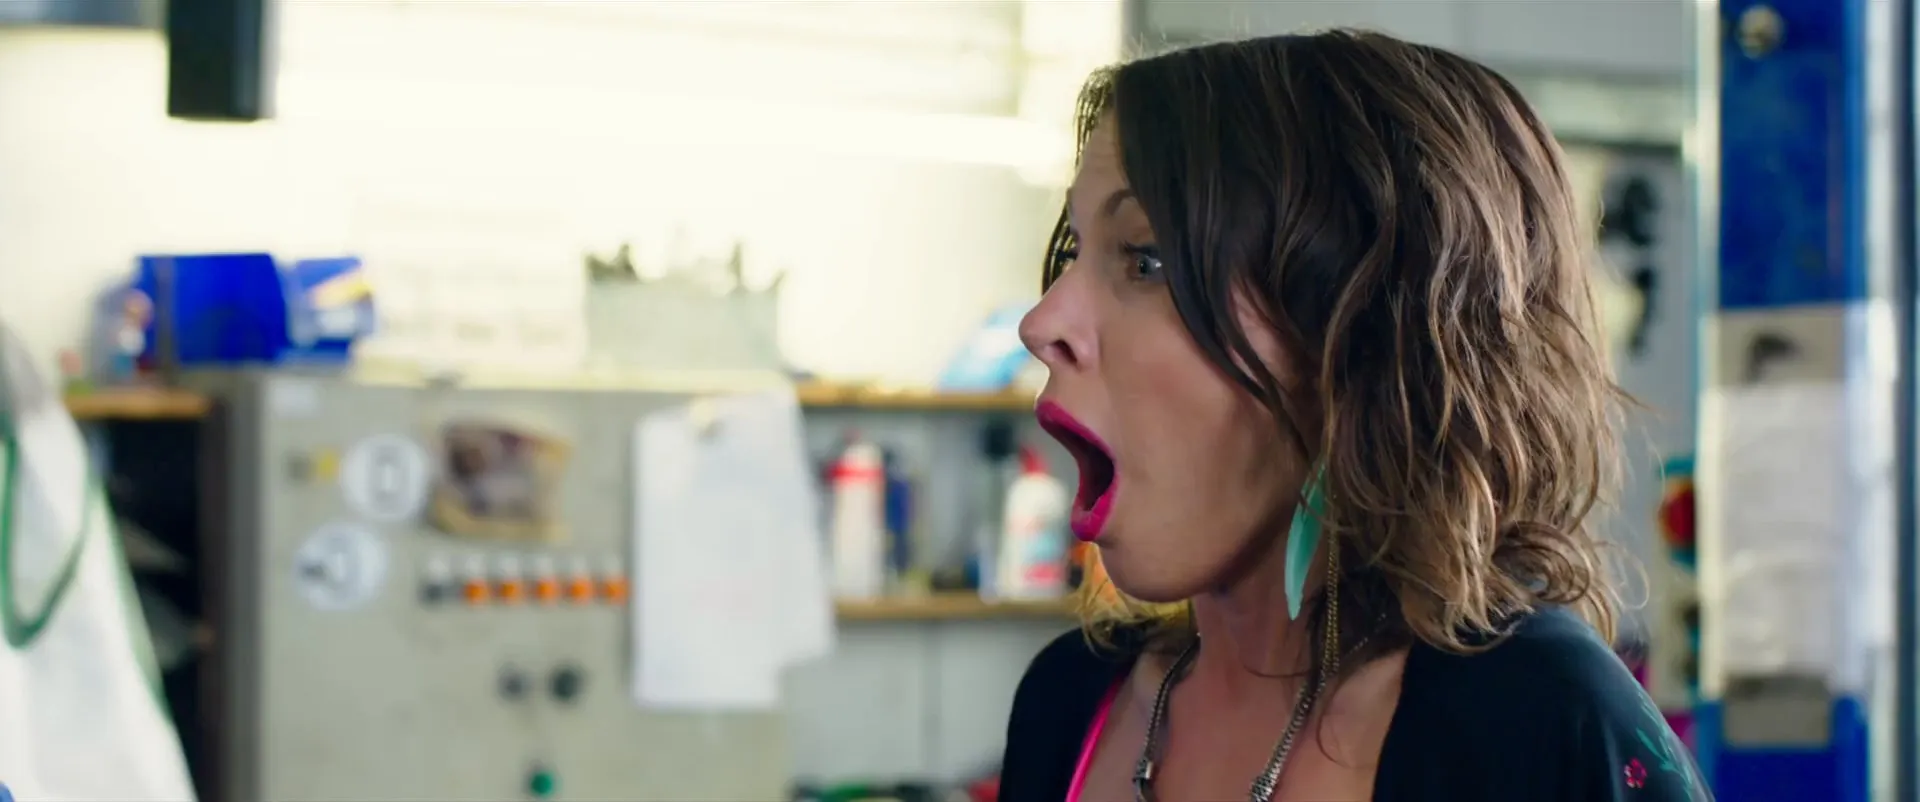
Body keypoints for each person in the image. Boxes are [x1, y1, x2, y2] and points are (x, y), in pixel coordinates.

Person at [1003, 29, 1708, 802]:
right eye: (1073, 252)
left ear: (1358, 336)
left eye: (1149, 260)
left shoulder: (1538, 725)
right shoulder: (1068, 705)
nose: (1042, 322)